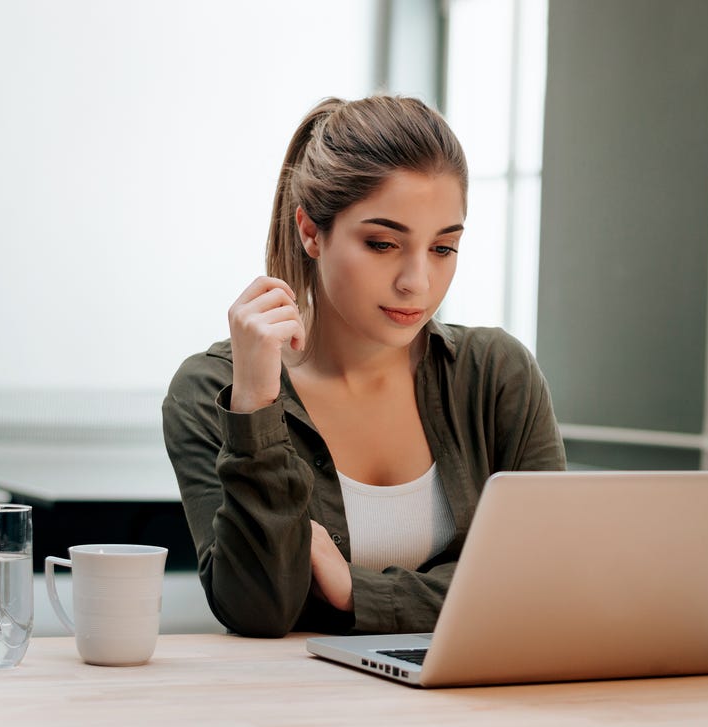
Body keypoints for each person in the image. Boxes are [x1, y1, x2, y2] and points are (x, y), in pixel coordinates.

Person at [162, 95, 566, 638]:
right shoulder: (212, 389)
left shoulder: (496, 374)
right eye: (382, 244)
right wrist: (256, 404)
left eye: (443, 248)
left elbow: (545, 583)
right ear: (311, 231)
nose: (416, 282)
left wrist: (356, 590)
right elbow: (258, 609)